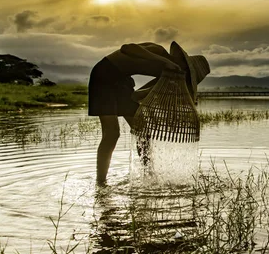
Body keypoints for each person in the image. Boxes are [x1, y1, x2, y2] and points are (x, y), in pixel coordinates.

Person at [88, 41, 210, 184]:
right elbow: (127, 48)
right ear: (182, 62)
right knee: (112, 133)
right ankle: (101, 183)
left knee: (143, 131)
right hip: (104, 74)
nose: (182, 73)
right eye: (184, 71)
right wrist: (164, 61)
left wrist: (162, 88)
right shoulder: (158, 51)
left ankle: (149, 174)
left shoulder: (167, 74)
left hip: (123, 81)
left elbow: (137, 96)